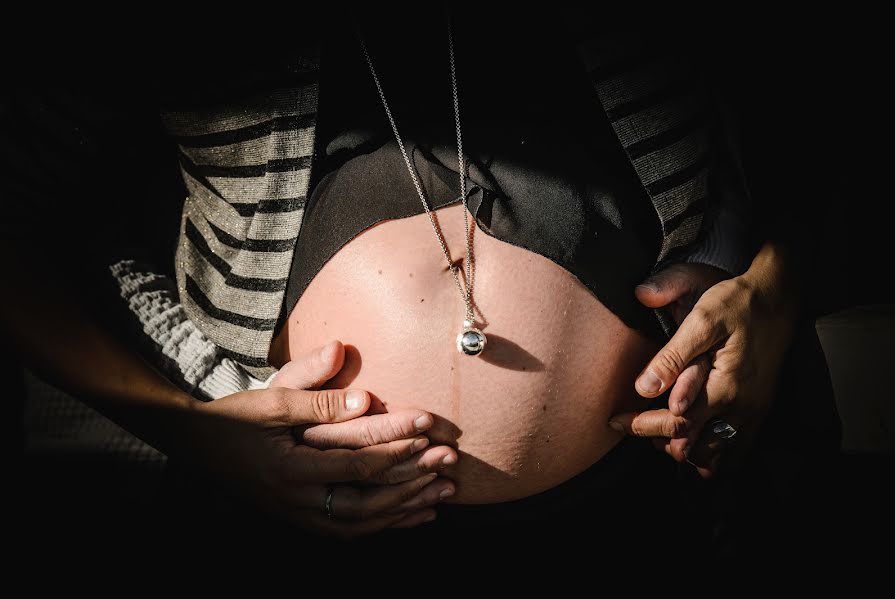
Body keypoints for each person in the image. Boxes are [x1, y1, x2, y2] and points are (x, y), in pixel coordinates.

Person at [2, 11, 836, 548]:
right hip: (285, 505)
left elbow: (843, 108)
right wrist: (185, 423)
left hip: (657, 492)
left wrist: (773, 285)